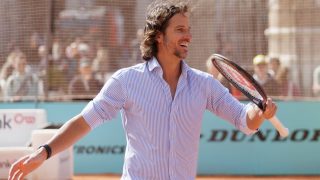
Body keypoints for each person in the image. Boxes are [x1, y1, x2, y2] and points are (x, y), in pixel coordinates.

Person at [8, 1, 278, 180]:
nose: (189, 36)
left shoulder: (204, 84)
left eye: (189, 29)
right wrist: (43, 152)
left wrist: (259, 111)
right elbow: (83, 122)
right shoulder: (126, 81)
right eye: (180, 29)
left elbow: (245, 120)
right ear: (159, 35)